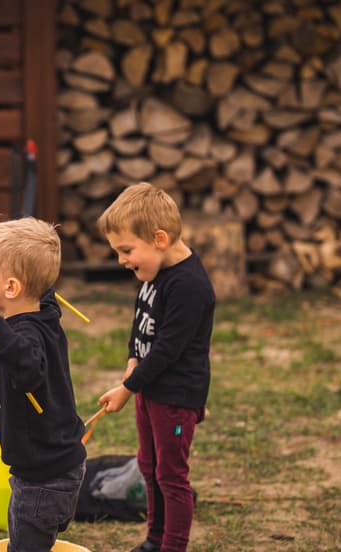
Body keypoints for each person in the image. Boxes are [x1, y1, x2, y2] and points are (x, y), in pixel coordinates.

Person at [96, 183, 215, 552]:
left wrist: (128, 386)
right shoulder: (153, 274)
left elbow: (166, 351)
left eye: (127, 250)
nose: (121, 261)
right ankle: (154, 539)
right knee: (148, 466)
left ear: (159, 239)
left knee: (171, 476)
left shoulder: (189, 286)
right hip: (150, 390)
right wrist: (133, 359)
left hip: (175, 396)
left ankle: (172, 546)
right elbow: (142, 322)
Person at [0, 216, 87, 552]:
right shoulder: (43, 310)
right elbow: (42, 286)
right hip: (44, 468)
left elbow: (29, 367)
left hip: (44, 479)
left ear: (13, 288)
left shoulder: (26, 333)